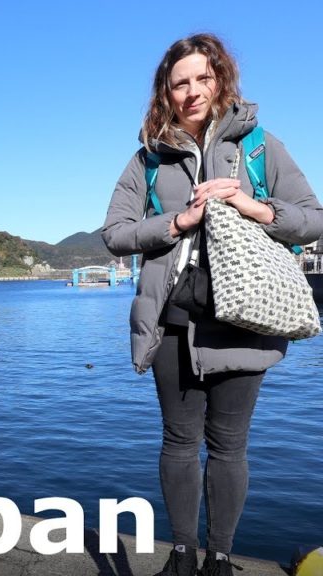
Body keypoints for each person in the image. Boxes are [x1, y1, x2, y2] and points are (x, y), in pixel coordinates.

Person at [101, 33, 323, 576]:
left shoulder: (259, 146)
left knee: (229, 446)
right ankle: (182, 554)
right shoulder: (148, 159)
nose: (193, 91)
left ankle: (219, 557)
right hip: (172, 322)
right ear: (166, 93)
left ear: (221, 79)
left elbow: (313, 219)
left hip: (244, 318)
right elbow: (115, 233)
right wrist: (179, 221)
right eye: (180, 83)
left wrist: (253, 205)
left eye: (203, 77)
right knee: (178, 441)